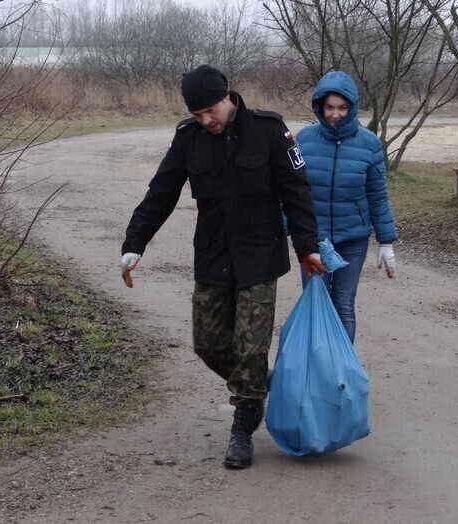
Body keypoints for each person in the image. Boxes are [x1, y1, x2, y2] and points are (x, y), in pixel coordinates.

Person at [119, 65, 325, 469]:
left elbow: (297, 193)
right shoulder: (189, 139)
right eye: (197, 114)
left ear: (228, 97)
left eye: (210, 110)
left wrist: (307, 247)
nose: (206, 120)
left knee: (250, 347)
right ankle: (259, 386)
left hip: (259, 256)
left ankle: (242, 428)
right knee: (208, 343)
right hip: (213, 255)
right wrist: (134, 243)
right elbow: (160, 192)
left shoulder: (269, 131)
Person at [294, 71, 398, 344]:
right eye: (329, 107)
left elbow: (377, 195)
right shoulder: (303, 140)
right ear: (319, 106)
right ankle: (317, 367)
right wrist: (286, 229)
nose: (335, 114)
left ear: (351, 107)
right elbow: (292, 193)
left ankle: (341, 372)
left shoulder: (369, 144)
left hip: (352, 240)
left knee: (343, 305)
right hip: (313, 241)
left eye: (342, 107)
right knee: (317, 304)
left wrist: (386, 241)